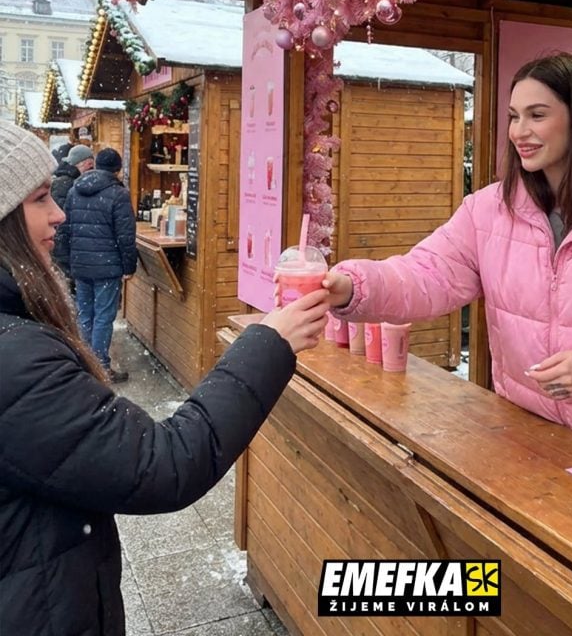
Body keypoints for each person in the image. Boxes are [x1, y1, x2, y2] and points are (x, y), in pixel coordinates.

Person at [0, 120, 329, 636]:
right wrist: (272, 342)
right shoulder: (15, 361)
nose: (58, 212)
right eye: (41, 197)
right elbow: (165, 462)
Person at [322, 53, 572, 464]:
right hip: (527, 441)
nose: (520, 131)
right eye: (514, 116)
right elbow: (427, 274)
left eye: (537, 115)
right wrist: (354, 287)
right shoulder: (487, 211)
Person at [62, 147, 137, 382]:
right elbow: (126, 235)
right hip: (107, 267)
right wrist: (129, 267)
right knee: (104, 317)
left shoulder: (75, 190)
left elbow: (64, 229)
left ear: (96, 164)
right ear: (118, 169)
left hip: (81, 265)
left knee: (86, 314)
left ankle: (85, 365)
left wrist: (67, 261)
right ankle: (100, 368)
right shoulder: (118, 194)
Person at [51, 145, 95, 278]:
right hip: (66, 245)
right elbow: (65, 217)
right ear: (86, 163)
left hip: (63, 244)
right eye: (90, 165)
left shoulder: (62, 181)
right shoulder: (68, 184)